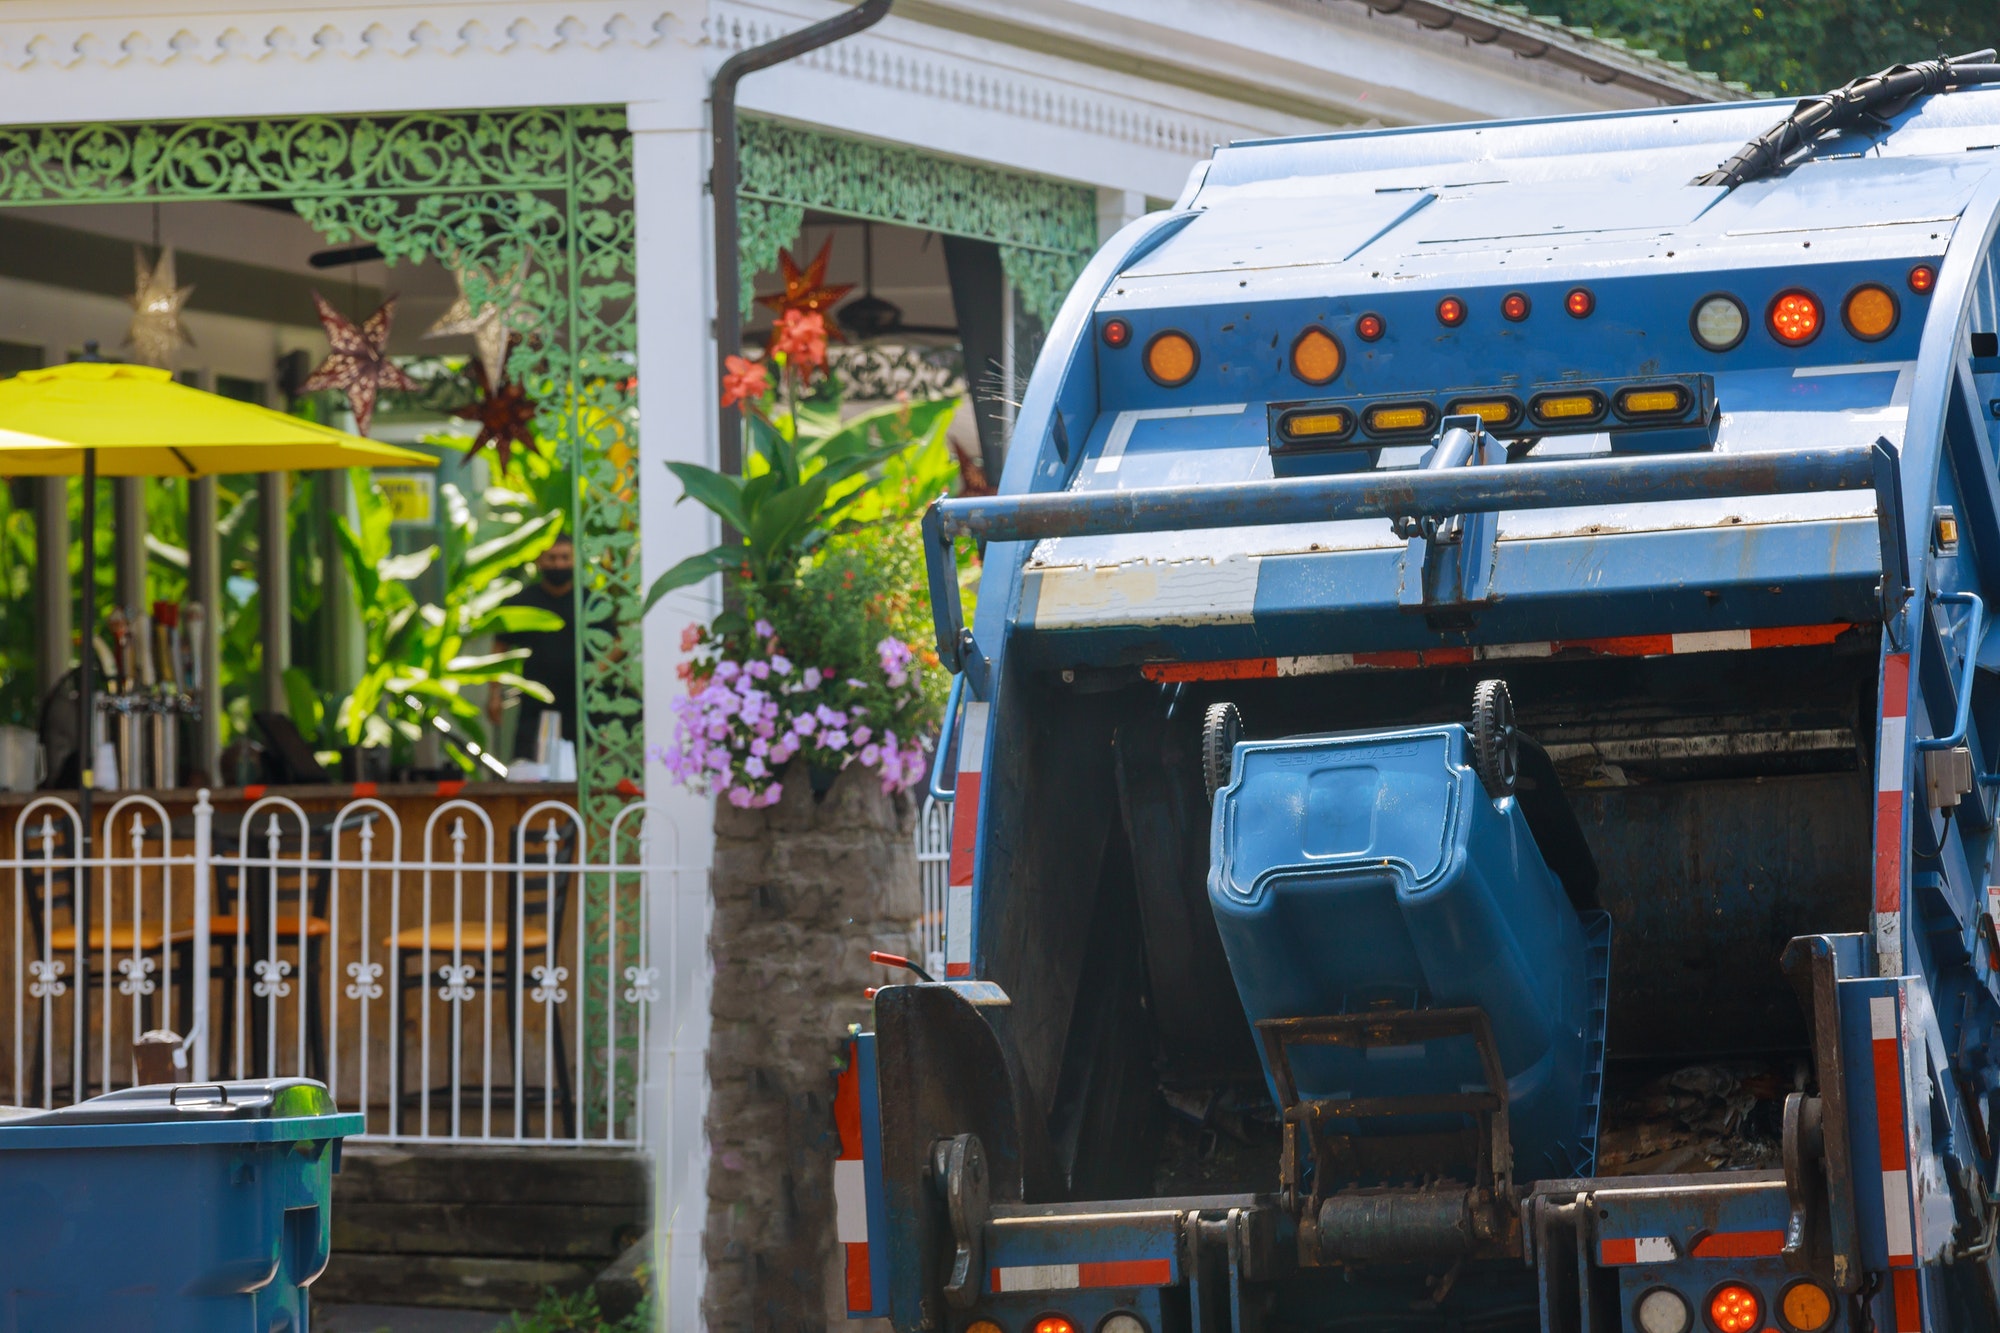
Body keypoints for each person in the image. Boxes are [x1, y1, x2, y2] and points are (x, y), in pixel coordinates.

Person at [489, 533, 578, 761]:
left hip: (579, 704)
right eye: (552, 558)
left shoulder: (589, 602)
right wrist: (494, 695)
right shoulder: (521, 602)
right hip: (533, 706)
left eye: (565, 558)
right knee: (528, 769)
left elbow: (618, 640)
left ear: (575, 559)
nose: (559, 564)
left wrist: (599, 671)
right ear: (539, 560)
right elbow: (500, 648)